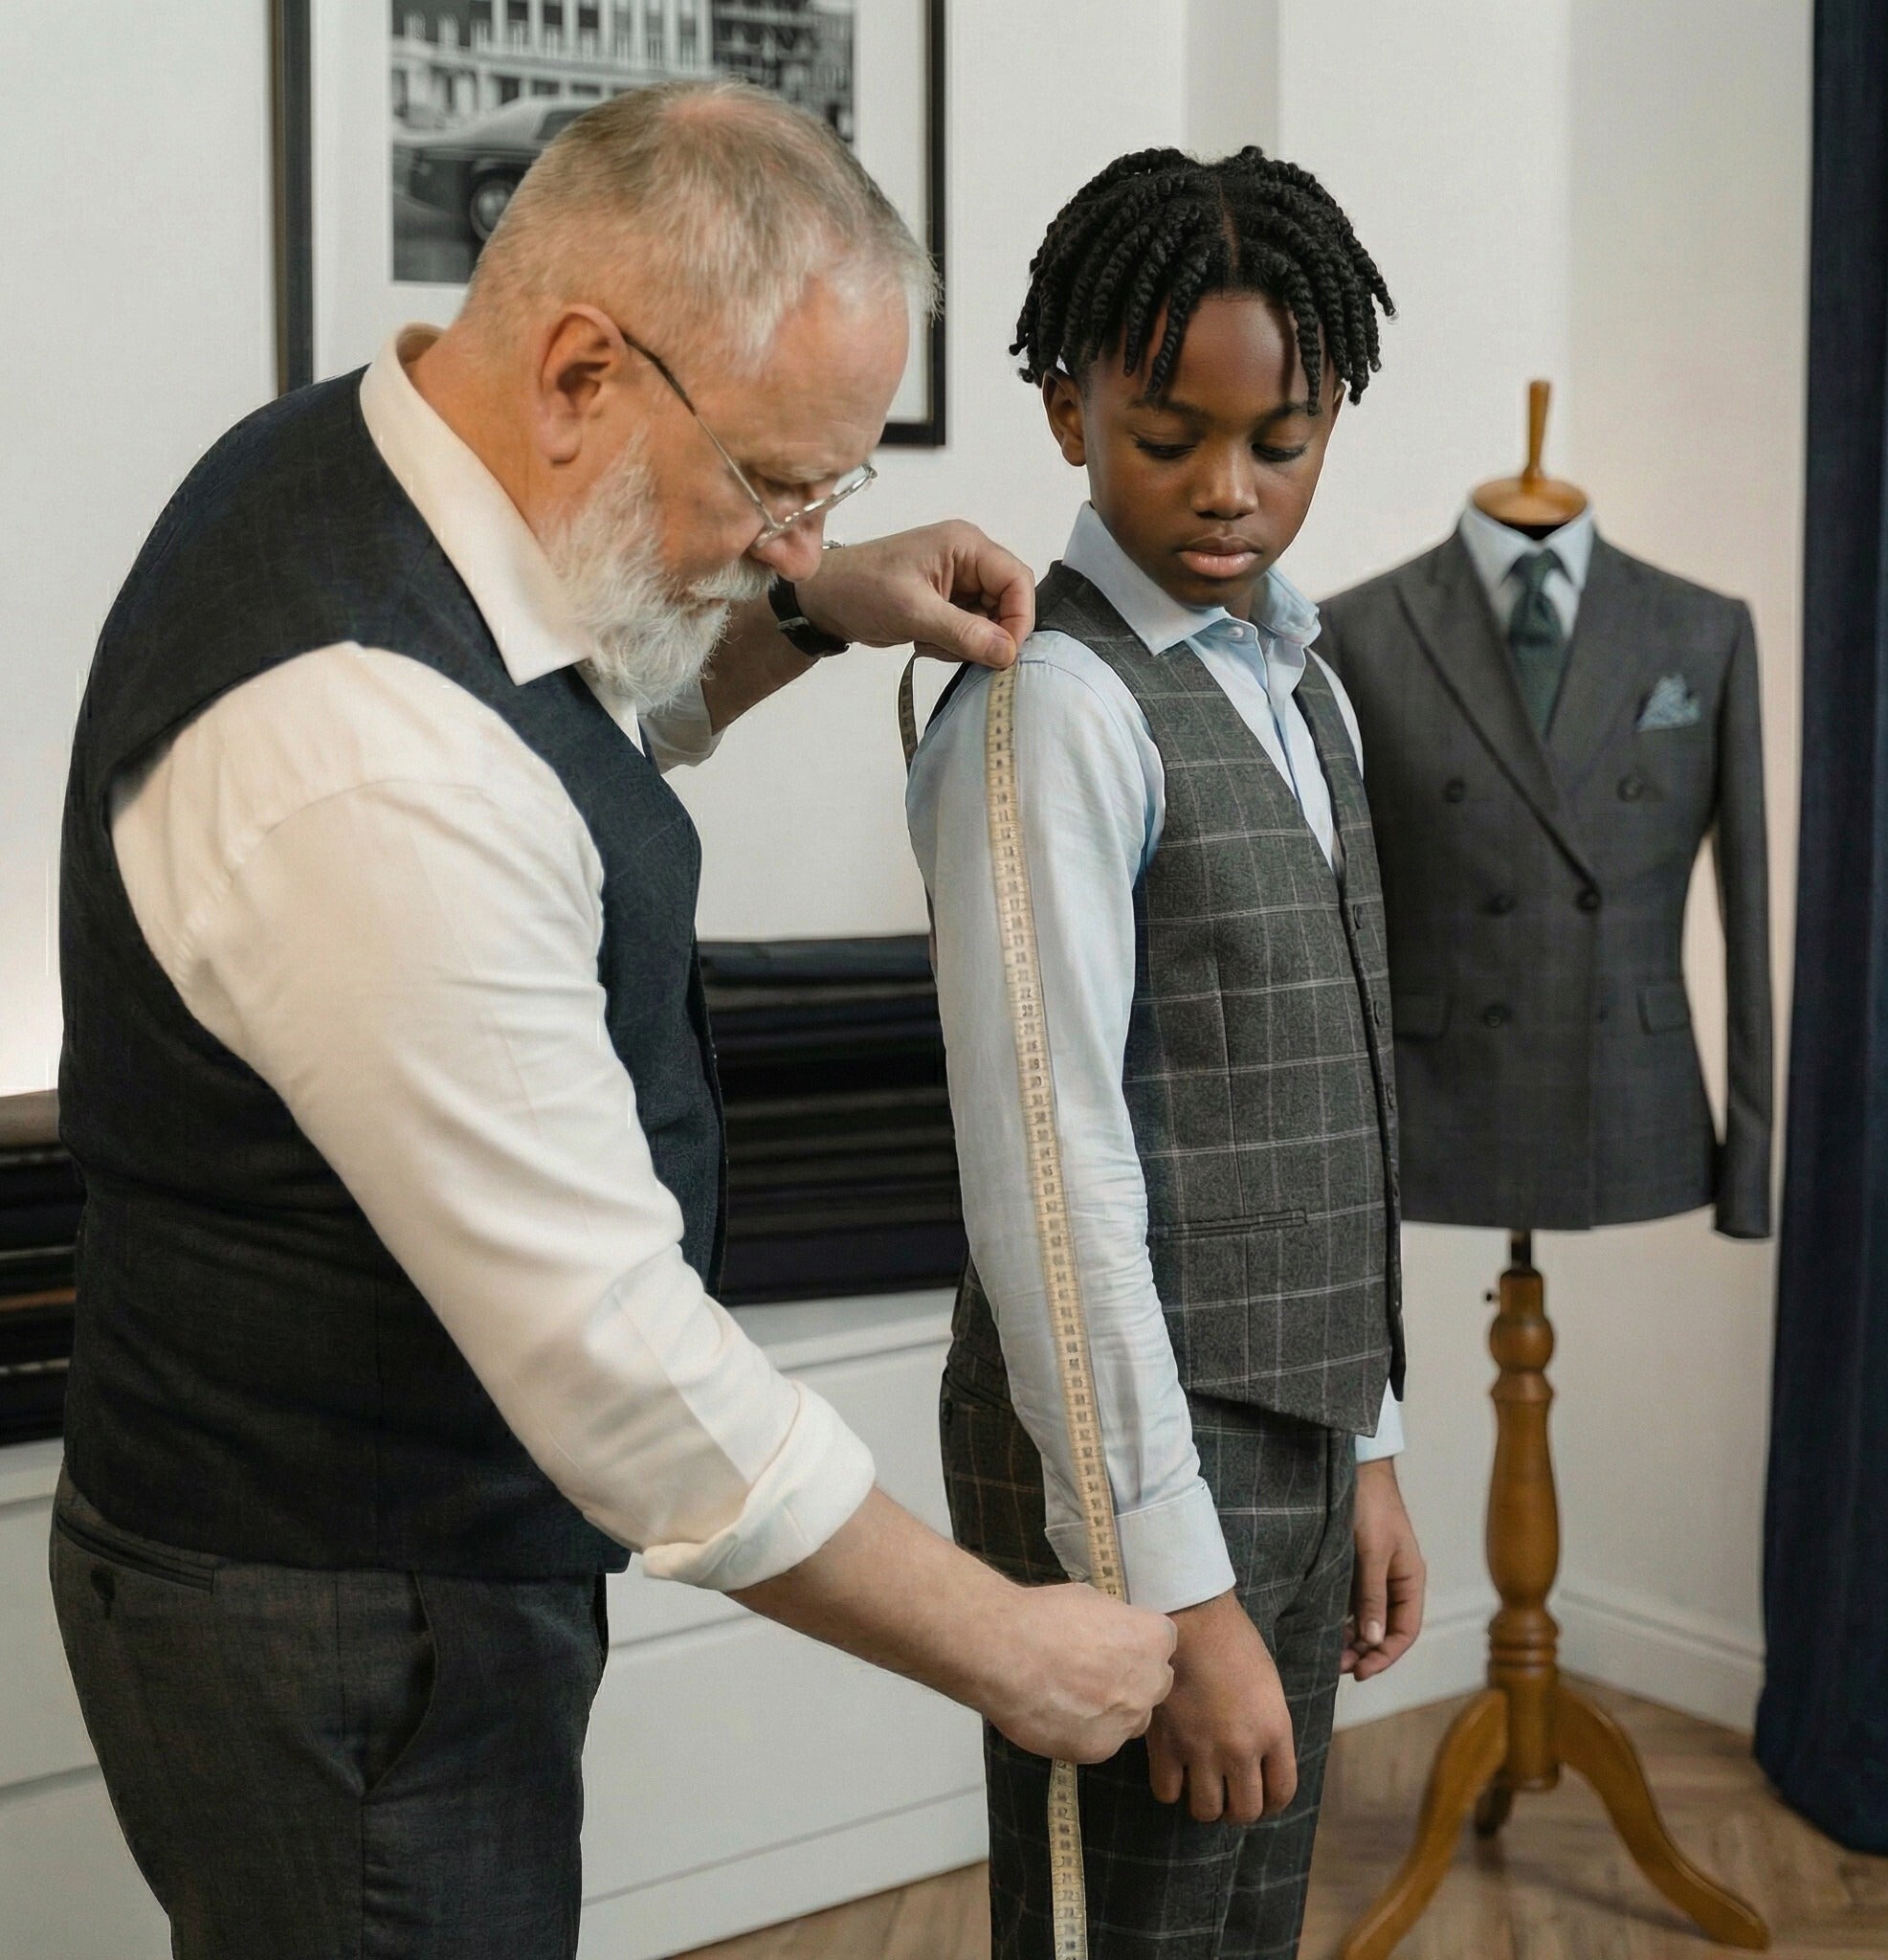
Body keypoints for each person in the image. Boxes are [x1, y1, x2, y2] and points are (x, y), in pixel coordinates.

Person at [51, 82, 1174, 1960]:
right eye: (776, 484)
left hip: (362, 1559)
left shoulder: (371, 466)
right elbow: (621, 1365)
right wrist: (1007, 1643)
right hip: (345, 1619)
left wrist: (808, 613)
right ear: (583, 369)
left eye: (832, 494)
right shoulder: (361, 761)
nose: (795, 533)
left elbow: (579, 707)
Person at [906, 147, 1429, 1958]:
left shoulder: (1298, 675)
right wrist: (1172, 1584)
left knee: (1246, 1924)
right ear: (1066, 410)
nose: (1229, 492)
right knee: (1124, 1931)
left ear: (1335, 407)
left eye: (1279, 442)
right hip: (1131, 1465)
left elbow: (1327, 1085)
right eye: (1166, 436)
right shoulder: (1050, 709)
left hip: (1295, 1435)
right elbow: (1051, 1183)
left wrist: (1368, 1441)